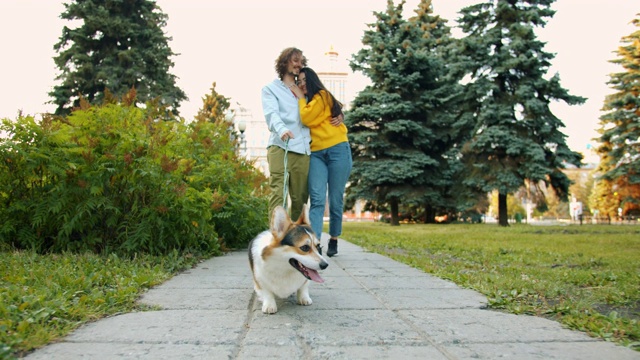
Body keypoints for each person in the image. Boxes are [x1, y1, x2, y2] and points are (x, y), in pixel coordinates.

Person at [290, 67, 352, 257]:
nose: (301, 84)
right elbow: (305, 118)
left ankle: (334, 238)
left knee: (335, 199)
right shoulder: (307, 102)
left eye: (303, 80)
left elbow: (307, 118)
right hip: (316, 153)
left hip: (338, 150)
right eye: (298, 82)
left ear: (311, 80)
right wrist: (301, 99)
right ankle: (315, 243)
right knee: (316, 199)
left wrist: (300, 97)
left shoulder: (323, 95)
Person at [261, 47, 311, 221]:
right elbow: (271, 114)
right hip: (280, 145)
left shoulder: (304, 89)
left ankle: (296, 241)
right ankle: (277, 238)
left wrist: (339, 113)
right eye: (295, 60)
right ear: (284, 62)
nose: (299, 65)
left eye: (301, 62)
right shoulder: (270, 89)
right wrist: (281, 129)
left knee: (300, 198)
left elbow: (324, 102)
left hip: (303, 150)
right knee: (278, 194)